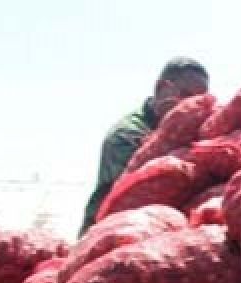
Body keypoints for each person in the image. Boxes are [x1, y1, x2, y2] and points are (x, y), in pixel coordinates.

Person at [80, 58, 210, 233]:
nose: (193, 106)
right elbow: (139, 191)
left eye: (200, 99)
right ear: (161, 88)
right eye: (186, 95)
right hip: (112, 233)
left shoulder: (187, 132)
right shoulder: (127, 134)